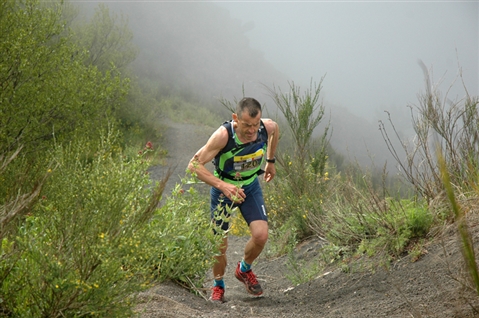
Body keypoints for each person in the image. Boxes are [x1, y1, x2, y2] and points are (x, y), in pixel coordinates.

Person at [188, 97, 279, 303]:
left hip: (250, 187)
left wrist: (270, 161)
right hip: (224, 189)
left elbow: (275, 131)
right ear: (235, 118)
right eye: (246, 125)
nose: (251, 130)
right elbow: (193, 166)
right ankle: (218, 286)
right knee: (219, 245)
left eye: (255, 125)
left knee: (261, 236)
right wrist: (224, 186)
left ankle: (244, 270)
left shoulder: (267, 127)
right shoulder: (223, 136)